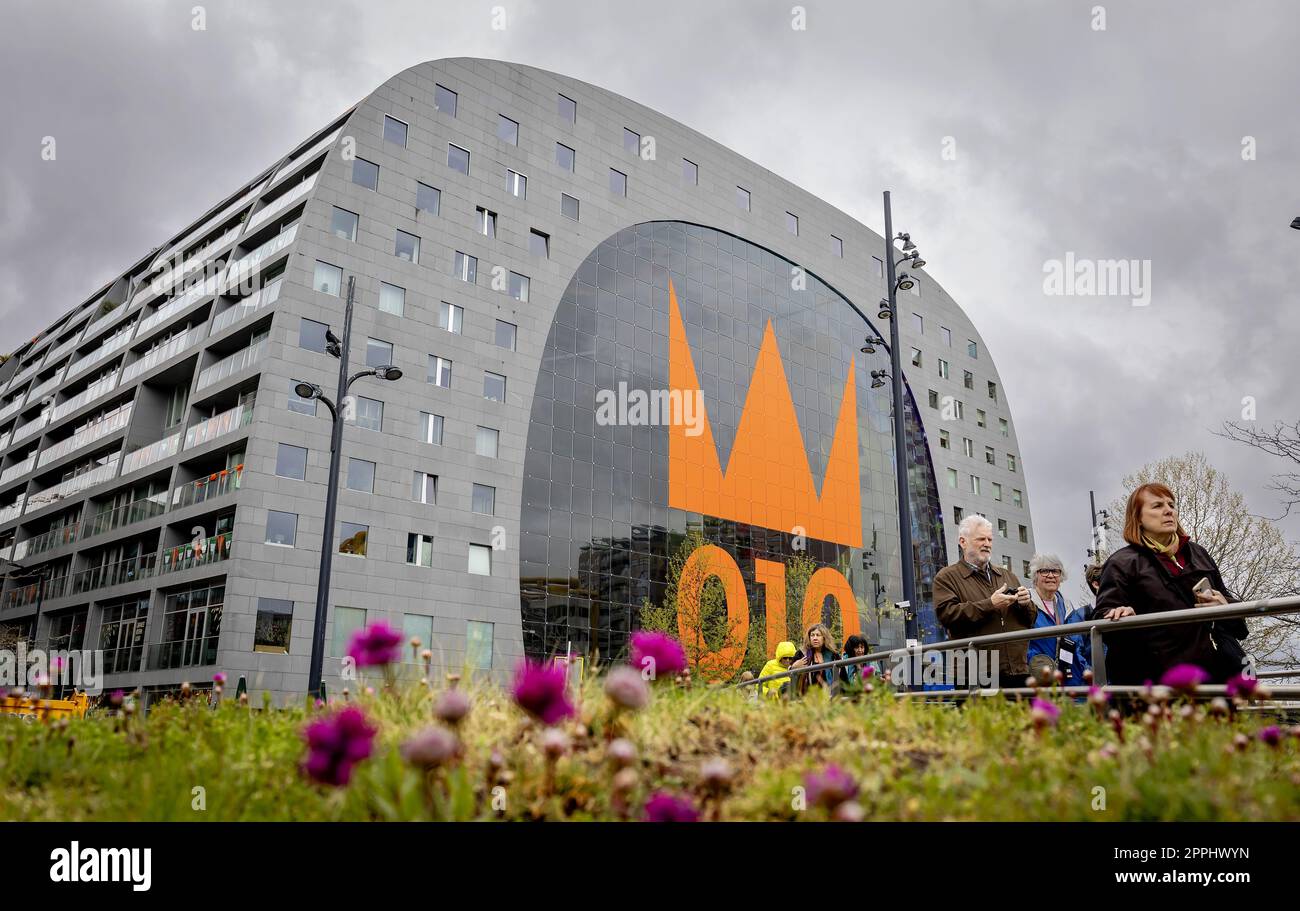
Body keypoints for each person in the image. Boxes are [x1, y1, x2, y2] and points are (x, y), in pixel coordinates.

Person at [1091, 482, 1248, 684]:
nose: (1168, 511)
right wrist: (1121, 616)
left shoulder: (1198, 554)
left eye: (1171, 505)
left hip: (1209, 676)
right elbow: (1103, 619)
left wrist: (1224, 608)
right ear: (1137, 518)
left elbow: (1235, 616)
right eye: (1157, 506)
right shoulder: (1122, 562)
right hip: (1156, 682)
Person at [934, 514, 1036, 685]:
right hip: (975, 674)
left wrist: (1026, 604)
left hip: (1017, 671)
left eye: (990, 539)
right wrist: (990, 604)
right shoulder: (946, 577)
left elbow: (1030, 620)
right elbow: (947, 615)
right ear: (963, 542)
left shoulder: (1007, 576)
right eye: (981, 539)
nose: (987, 544)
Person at [1024, 553, 1090, 686]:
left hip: (1071, 676)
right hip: (1040, 676)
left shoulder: (1067, 605)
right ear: (1035, 576)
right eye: (1044, 571)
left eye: (1055, 571)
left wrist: (1086, 669)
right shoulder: (1025, 602)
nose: (1050, 575)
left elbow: (1077, 643)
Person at [790, 623, 842, 695]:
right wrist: (794, 667)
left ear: (824, 638)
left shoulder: (833, 655)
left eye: (818, 635)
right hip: (807, 698)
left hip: (829, 698)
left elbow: (842, 677)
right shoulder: (802, 653)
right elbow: (790, 675)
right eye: (812, 635)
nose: (815, 638)